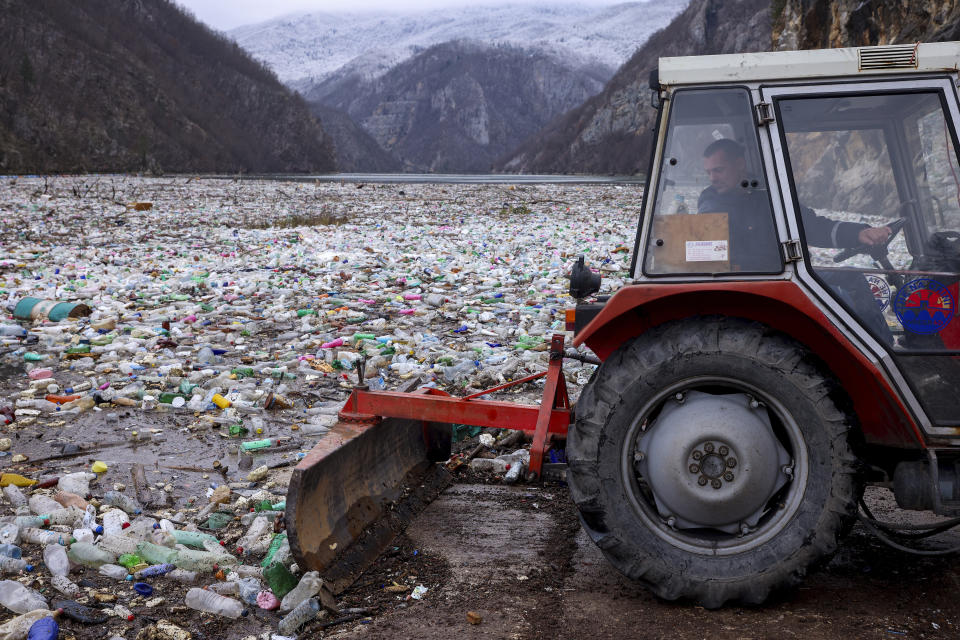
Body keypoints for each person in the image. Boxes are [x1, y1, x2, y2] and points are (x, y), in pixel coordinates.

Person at [698, 138, 893, 341]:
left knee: (852, 277)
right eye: (709, 172)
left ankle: (882, 345)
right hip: (759, 284)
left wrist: (858, 233)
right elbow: (711, 236)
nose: (712, 178)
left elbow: (810, 225)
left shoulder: (766, 193)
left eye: (718, 170)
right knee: (834, 296)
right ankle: (856, 347)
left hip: (789, 275)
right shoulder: (712, 203)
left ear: (740, 164)